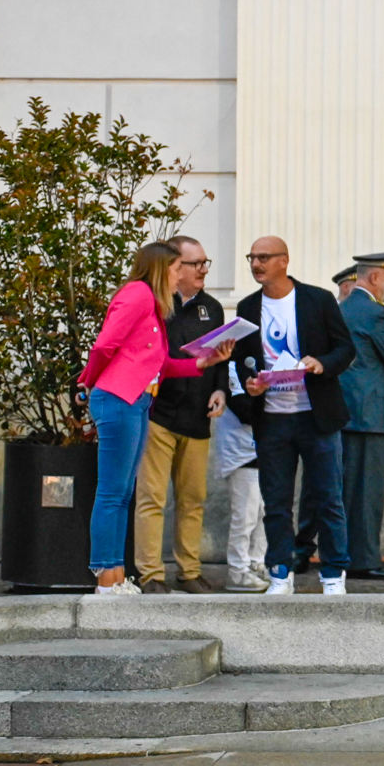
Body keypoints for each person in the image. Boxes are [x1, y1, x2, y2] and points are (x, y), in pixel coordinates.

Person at [75, 241, 233, 597]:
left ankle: (116, 577)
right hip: (118, 398)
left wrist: (202, 364)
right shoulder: (139, 295)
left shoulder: (155, 304)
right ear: (162, 268)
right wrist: (87, 380)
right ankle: (105, 578)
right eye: (178, 268)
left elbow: (159, 365)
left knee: (124, 493)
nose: (182, 275)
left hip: (138, 400)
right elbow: (104, 346)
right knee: (113, 492)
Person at [231, 236, 357, 596]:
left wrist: (321, 364)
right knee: (276, 501)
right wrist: (250, 384)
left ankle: (333, 574)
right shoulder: (247, 306)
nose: (256, 264)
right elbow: (241, 363)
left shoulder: (317, 299)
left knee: (328, 498)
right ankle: (280, 572)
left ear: (284, 261)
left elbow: (345, 348)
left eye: (264, 257)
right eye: (252, 257)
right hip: (272, 419)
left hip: (316, 416)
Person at [131, 234, 229, 592]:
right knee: (152, 498)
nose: (203, 269)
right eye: (194, 264)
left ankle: (190, 571)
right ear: (174, 267)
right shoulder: (156, 304)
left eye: (205, 263)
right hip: (158, 413)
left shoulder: (213, 308)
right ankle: (151, 575)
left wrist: (221, 389)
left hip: (198, 415)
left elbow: (219, 357)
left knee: (192, 499)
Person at [339, 250, 384, 582]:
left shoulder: (344, 308)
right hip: (369, 412)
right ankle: (363, 559)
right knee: (367, 491)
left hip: (346, 410)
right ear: (374, 278)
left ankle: (344, 555)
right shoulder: (374, 313)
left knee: (347, 490)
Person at [215, 361, 269, 592]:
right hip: (239, 451)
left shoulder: (266, 359)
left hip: (265, 448)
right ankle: (237, 571)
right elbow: (244, 409)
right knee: (245, 514)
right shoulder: (232, 365)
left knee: (263, 512)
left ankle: (257, 564)